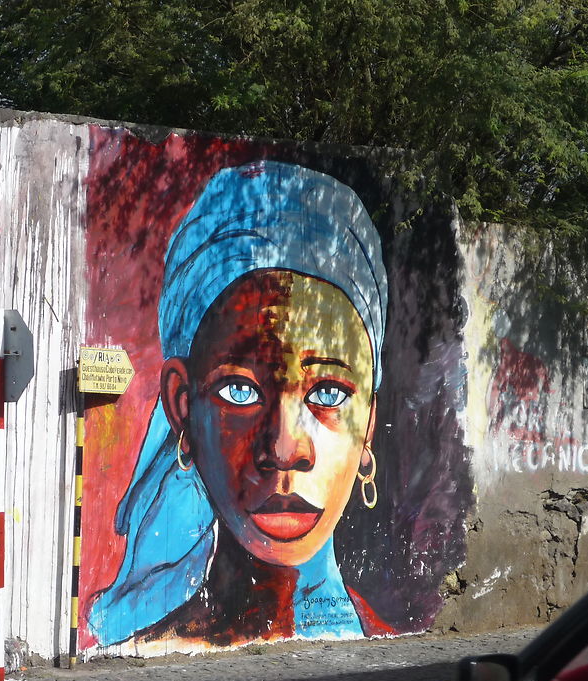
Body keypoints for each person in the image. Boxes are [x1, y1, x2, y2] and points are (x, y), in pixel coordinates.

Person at [89, 160, 391, 649]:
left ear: (369, 426)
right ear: (182, 408)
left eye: (328, 394)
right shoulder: (140, 656)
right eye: (241, 391)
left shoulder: (390, 646)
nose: (286, 447)